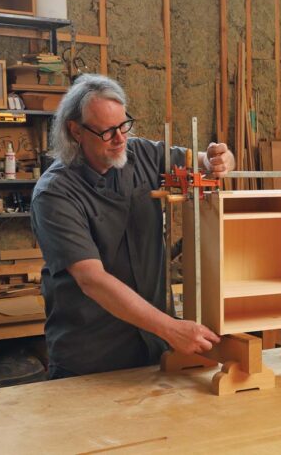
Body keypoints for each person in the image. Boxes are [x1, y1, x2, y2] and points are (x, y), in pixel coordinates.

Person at [31, 74, 234, 379]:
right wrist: (171, 328)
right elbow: (92, 279)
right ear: (76, 131)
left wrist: (221, 159)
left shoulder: (142, 155)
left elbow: (202, 160)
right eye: (108, 131)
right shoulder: (55, 193)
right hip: (92, 359)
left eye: (124, 125)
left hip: (155, 350)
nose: (121, 139)